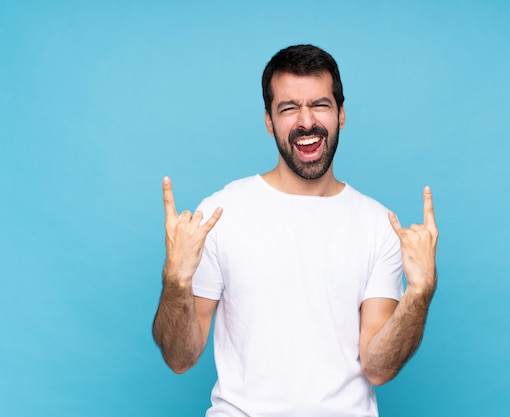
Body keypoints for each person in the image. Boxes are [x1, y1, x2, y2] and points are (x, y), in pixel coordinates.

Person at [152, 44, 438, 417]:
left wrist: (419, 293)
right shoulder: (220, 215)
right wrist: (176, 280)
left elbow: (378, 368)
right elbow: (180, 358)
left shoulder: (378, 226)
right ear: (269, 121)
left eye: (320, 104)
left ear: (341, 114)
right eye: (288, 108)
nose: (306, 122)